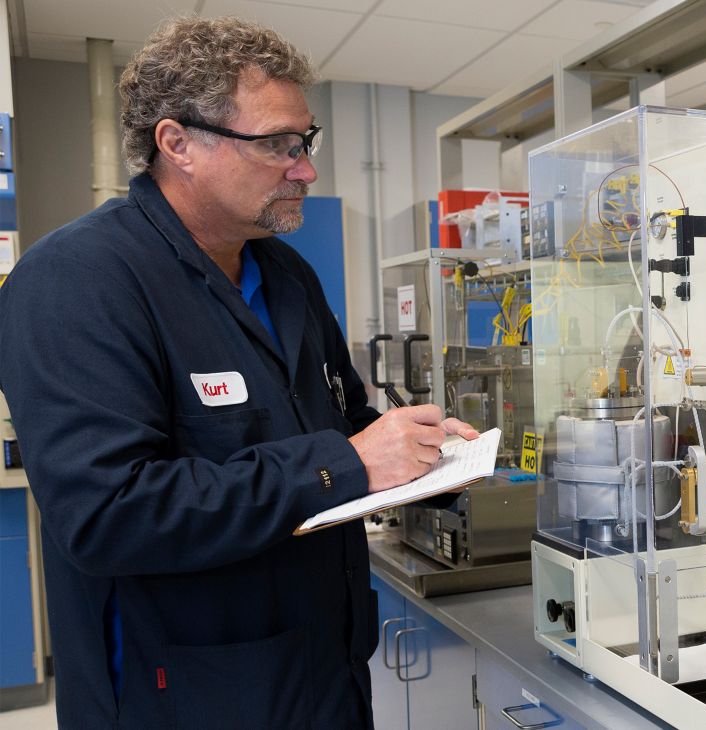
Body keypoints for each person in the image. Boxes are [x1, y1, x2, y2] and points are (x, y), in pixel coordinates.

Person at [0, 16, 479, 730]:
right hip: (184, 694)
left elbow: (340, 425)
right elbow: (109, 515)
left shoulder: (285, 275)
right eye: (278, 145)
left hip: (325, 675)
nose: (306, 169)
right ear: (177, 144)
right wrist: (340, 465)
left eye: (305, 141)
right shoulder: (76, 282)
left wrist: (424, 457)